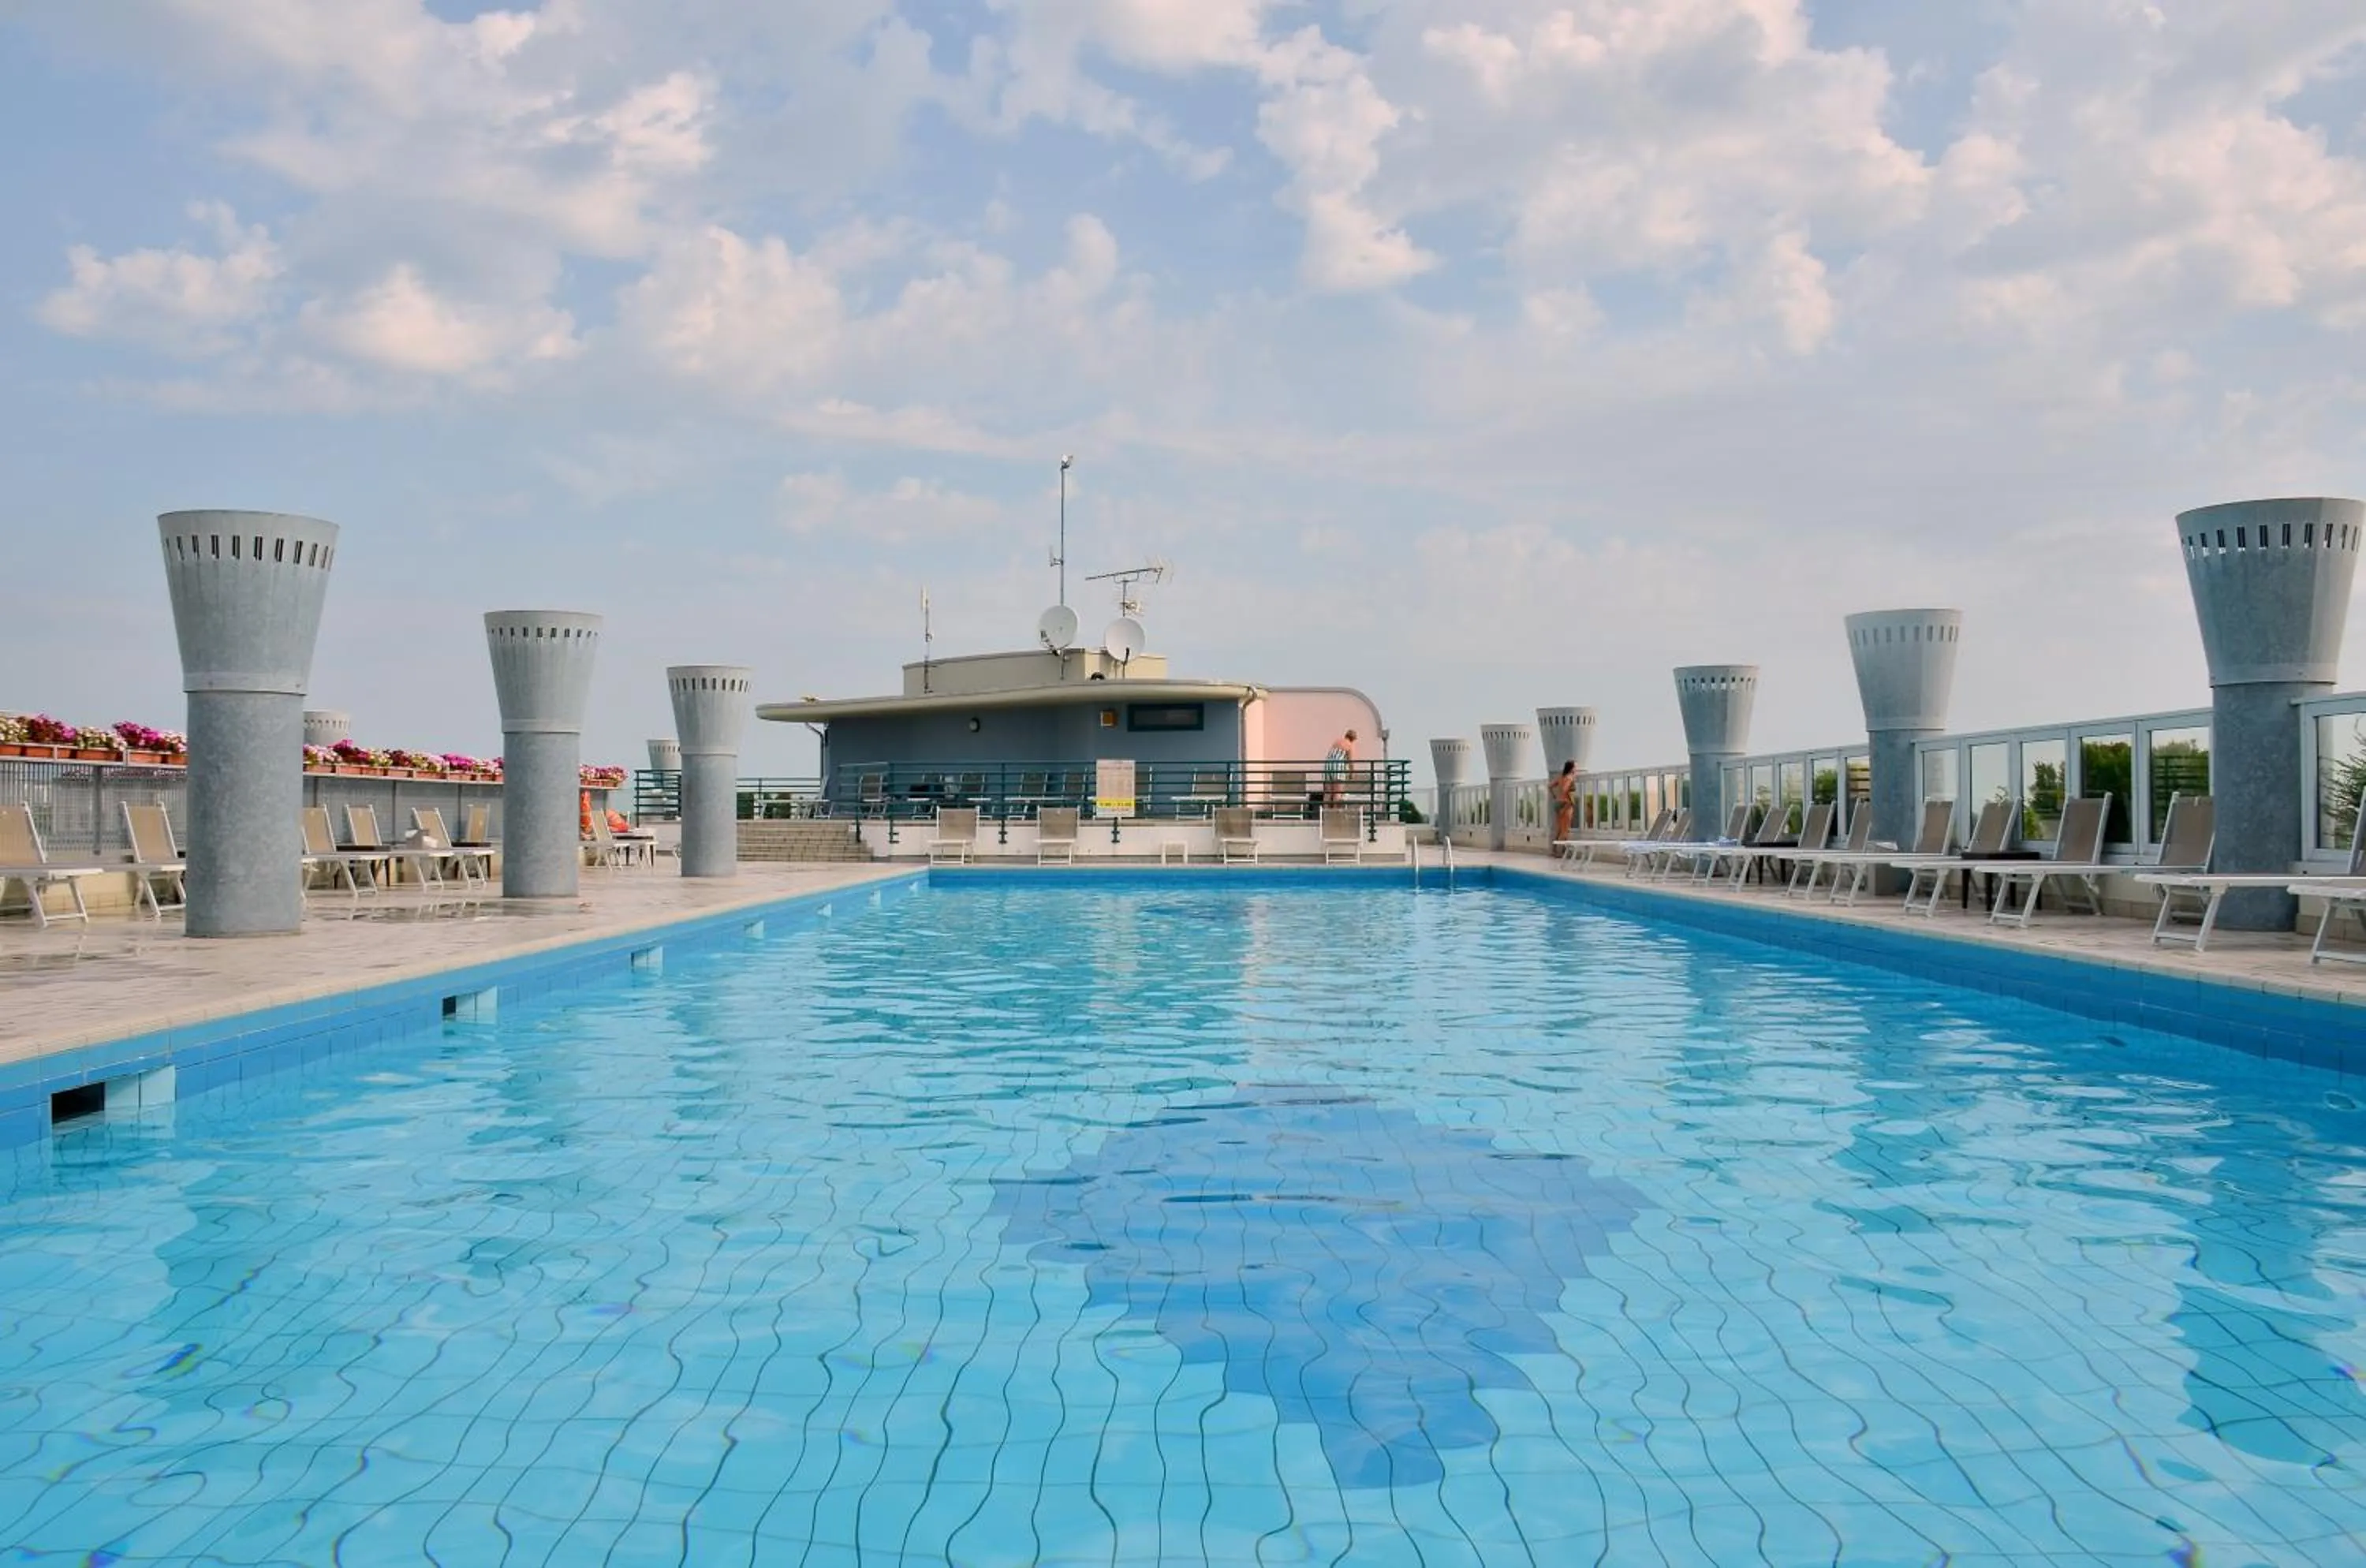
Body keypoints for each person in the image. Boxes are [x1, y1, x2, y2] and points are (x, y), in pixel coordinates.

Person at [1324, 728, 1357, 805]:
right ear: (1353, 739)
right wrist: (1352, 773)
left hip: (1328, 765)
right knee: (1337, 792)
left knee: (1328, 792)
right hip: (1338, 766)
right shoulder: (1349, 745)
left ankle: (1325, 813)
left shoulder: (1337, 741)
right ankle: (1335, 813)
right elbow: (1350, 761)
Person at [1550, 760, 1579, 845]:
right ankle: (1563, 850)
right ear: (1571, 768)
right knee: (1566, 829)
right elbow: (1565, 790)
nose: (1576, 769)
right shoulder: (1570, 778)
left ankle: (1554, 849)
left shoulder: (1561, 777)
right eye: (1575, 767)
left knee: (1559, 828)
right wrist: (1571, 801)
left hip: (1558, 803)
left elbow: (1550, 786)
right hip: (1566, 804)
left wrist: (1555, 796)